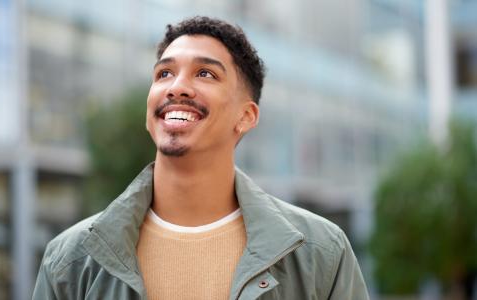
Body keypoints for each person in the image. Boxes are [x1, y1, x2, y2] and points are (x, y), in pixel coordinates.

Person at [33, 16, 369, 300]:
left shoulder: (322, 253)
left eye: (205, 74)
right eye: (164, 73)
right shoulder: (70, 260)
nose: (176, 87)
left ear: (246, 116)